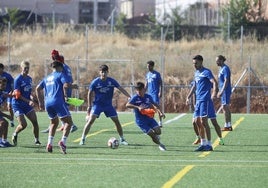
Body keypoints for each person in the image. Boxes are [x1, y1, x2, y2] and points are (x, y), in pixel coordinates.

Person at [79, 64, 130, 146]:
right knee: (90, 121)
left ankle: (122, 139)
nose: (103, 74)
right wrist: (89, 106)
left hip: (108, 105)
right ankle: (83, 139)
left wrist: (129, 96)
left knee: (117, 121)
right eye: (102, 72)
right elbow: (89, 93)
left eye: (105, 72)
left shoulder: (111, 81)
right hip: (97, 105)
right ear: (100, 72)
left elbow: (120, 88)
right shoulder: (95, 82)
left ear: (107, 72)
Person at [36, 61, 74, 154]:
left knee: (54, 123)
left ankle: (49, 144)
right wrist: (73, 86)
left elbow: (37, 88)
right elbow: (65, 85)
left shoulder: (47, 78)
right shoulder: (61, 74)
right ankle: (63, 142)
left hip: (47, 103)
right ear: (60, 67)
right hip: (58, 102)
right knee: (69, 123)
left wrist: (40, 102)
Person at [41, 49, 78, 133]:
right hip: (66, 87)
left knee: (61, 107)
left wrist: (65, 89)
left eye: (54, 57)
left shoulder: (61, 68)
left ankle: (71, 125)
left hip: (62, 88)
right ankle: (63, 125)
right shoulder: (67, 67)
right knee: (62, 107)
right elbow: (70, 79)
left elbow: (63, 80)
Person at [126, 82, 166, 151]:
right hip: (141, 121)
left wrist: (161, 112)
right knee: (152, 134)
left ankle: (156, 137)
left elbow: (155, 105)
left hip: (149, 118)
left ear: (144, 89)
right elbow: (127, 105)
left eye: (139, 90)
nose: (138, 92)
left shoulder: (148, 97)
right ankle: (160, 144)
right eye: (137, 90)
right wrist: (137, 107)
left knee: (158, 131)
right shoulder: (135, 97)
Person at [191, 55, 218, 151]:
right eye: (194, 63)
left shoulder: (206, 72)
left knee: (204, 122)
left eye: (196, 63)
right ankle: (203, 143)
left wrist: (214, 93)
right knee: (196, 121)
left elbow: (214, 82)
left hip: (205, 100)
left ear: (201, 62)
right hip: (198, 100)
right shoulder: (196, 73)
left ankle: (209, 145)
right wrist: (189, 96)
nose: (195, 65)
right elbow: (195, 86)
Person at [11, 61, 41, 146]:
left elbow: (29, 92)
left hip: (26, 105)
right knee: (23, 125)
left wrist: (32, 98)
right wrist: (29, 101)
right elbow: (18, 95)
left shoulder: (29, 79)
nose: (27, 70)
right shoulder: (18, 79)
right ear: (22, 68)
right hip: (17, 105)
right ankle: (15, 134)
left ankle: (37, 140)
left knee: (35, 122)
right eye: (25, 68)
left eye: (28, 68)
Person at [186, 81, 224, 145]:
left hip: (207, 103)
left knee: (213, 122)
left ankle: (220, 138)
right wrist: (188, 98)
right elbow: (193, 90)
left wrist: (215, 93)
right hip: (198, 104)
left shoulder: (206, 78)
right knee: (194, 122)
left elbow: (215, 85)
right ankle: (199, 138)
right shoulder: (196, 79)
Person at [216, 55, 232, 131]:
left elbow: (226, 80)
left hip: (225, 90)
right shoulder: (221, 69)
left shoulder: (225, 68)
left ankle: (227, 126)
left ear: (222, 60)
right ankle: (229, 125)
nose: (216, 62)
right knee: (226, 107)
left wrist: (222, 91)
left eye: (218, 61)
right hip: (223, 89)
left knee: (224, 107)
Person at [145, 60, 163, 127]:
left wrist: (160, 91)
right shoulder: (147, 74)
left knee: (157, 106)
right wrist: (144, 91)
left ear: (152, 66)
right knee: (150, 108)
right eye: (147, 66)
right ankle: (151, 121)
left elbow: (161, 83)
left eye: (149, 66)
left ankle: (160, 121)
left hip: (155, 93)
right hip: (149, 94)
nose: (148, 67)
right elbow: (146, 84)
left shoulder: (156, 74)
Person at [0, 63, 15, 127]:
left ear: (2, 69)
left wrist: (12, 91)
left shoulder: (7, 75)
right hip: (2, 94)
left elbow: (12, 83)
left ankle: (12, 120)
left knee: (9, 107)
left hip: (8, 93)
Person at [0, 77, 13, 147]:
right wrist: (7, 116)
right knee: (2, 123)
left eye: (5, 85)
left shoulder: (2, 92)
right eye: (2, 85)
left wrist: (13, 94)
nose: (4, 86)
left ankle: (4, 141)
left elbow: (9, 95)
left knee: (6, 123)